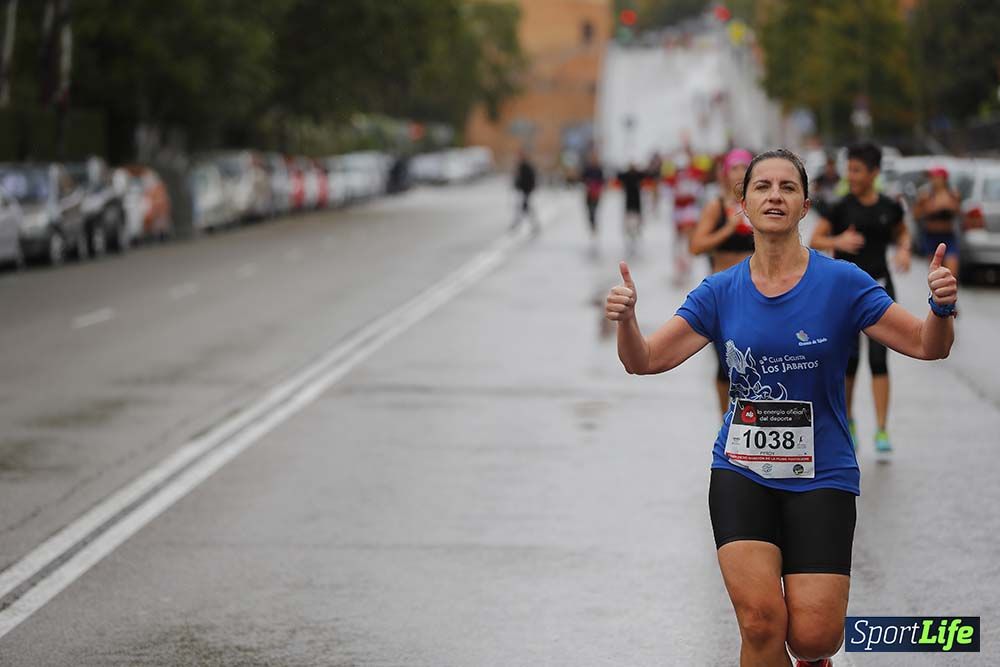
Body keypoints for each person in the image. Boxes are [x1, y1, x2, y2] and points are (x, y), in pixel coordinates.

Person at [605, 148, 957, 667]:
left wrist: (941, 307)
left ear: (805, 205)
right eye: (762, 187)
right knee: (761, 623)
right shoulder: (720, 291)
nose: (774, 195)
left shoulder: (844, 282)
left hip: (823, 475)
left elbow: (929, 345)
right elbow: (646, 360)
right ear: (742, 203)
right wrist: (627, 322)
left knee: (814, 636)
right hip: (742, 471)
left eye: (787, 187)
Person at [809, 142, 910, 460]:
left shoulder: (888, 207)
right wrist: (837, 240)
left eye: (856, 170)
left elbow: (902, 232)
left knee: (879, 360)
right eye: (848, 169)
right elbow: (815, 239)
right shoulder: (839, 207)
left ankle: (881, 428)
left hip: (879, 288)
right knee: (848, 361)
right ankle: (849, 422)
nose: (850, 176)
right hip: (844, 294)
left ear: (874, 173)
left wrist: (904, 249)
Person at [689, 148, 755, 414]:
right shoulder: (716, 205)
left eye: (744, 168)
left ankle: (752, 416)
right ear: (725, 173)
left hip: (756, 290)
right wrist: (727, 228)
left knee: (754, 357)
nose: (739, 174)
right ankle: (725, 419)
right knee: (725, 361)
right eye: (734, 169)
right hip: (725, 293)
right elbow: (696, 246)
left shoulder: (756, 205)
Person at [913, 166, 961, 275]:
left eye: (935, 177)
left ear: (943, 179)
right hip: (931, 236)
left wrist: (947, 206)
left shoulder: (952, 194)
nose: (933, 180)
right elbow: (916, 215)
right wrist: (930, 207)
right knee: (935, 271)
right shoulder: (925, 195)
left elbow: (958, 212)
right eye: (931, 178)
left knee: (952, 272)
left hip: (948, 236)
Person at [617, 162, 646, 253]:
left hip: (637, 203)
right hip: (628, 203)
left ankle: (636, 232)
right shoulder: (626, 176)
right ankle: (629, 233)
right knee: (628, 221)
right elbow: (618, 176)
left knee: (637, 220)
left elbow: (647, 175)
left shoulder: (638, 175)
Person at [511, 149, 540, 233]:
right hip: (523, 191)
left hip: (526, 191)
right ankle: (519, 225)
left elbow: (529, 179)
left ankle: (531, 225)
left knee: (525, 208)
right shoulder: (520, 166)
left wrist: (528, 188)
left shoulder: (526, 166)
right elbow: (518, 179)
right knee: (522, 208)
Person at [581, 151, 605, 239]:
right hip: (588, 192)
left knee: (594, 209)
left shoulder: (599, 169)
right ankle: (592, 223)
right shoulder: (588, 169)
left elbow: (602, 180)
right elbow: (582, 178)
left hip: (596, 193)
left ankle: (594, 225)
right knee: (589, 210)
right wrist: (588, 183)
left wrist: (598, 187)